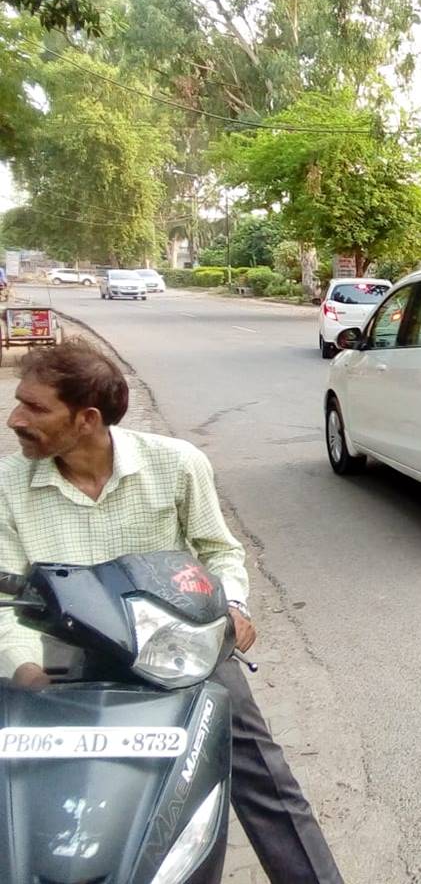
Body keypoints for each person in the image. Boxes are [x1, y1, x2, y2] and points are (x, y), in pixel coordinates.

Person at [0, 341, 345, 884]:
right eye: (19, 403)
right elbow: (3, 598)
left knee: (263, 779)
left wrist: (231, 606)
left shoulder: (175, 463)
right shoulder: (7, 485)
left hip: (174, 648)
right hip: (59, 663)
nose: (15, 419)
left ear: (86, 419)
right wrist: (25, 670)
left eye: (34, 407)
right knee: (30, 794)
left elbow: (218, 549)